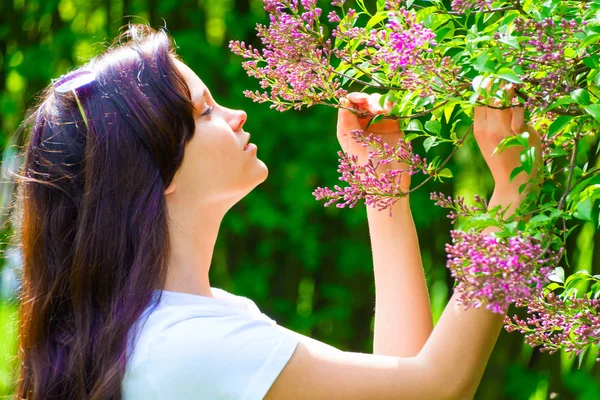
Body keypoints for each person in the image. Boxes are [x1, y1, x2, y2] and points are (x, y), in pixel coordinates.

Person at [13, 25, 540, 400]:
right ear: (159, 171)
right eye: (205, 111)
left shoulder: (191, 324)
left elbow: (401, 385)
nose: (235, 113)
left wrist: (383, 191)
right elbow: (437, 389)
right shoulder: (186, 347)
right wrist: (515, 191)